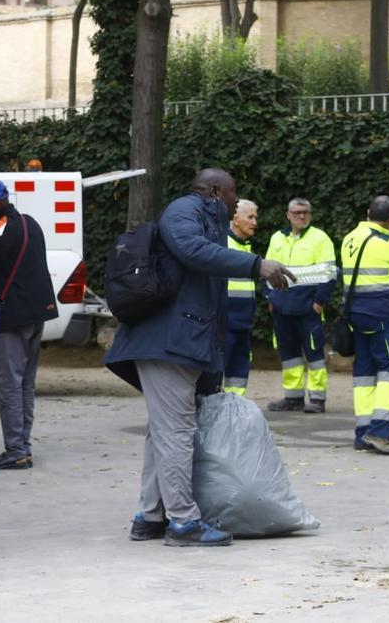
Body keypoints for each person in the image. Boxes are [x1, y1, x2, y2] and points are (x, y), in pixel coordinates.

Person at [105, 169, 293, 547]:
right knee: (176, 433)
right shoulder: (184, 212)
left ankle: (150, 515)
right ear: (213, 190)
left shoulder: (207, 220)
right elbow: (191, 250)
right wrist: (257, 265)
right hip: (167, 344)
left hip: (179, 344)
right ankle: (183, 522)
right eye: (232, 193)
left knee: (164, 431)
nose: (236, 202)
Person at [0, 180, 58, 471]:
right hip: (39, 312)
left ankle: (16, 450)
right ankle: (24, 446)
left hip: (13, 316)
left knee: (9, 383)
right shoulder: (30, 223)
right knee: (26, 383)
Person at [341, 195, 389, 455]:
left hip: (356, 314)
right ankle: (379, 432)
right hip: (383, 314)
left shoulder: (350, 238)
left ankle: (362, 433)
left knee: (364, 373)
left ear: (367, 212)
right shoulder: (387, 242)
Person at [265, 198, 337, 414]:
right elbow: (267, 271)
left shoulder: (320, 238)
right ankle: (293, 398)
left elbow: (330, 274)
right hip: (282, 309)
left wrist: (319, 302)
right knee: (289, 356)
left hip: (309, 309)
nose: (302, 216)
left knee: (314, 355)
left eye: (305, 212)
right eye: (297, 213)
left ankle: (317, 399)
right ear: (288, 215)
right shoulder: (277, 238)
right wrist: (270, 298)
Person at [224, 199, 259, 396]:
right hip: (225, 323)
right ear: (235, 219)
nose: (255, 222)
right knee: (216, 372)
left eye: (256, 217)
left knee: (238, 375)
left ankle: (233, 410)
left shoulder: (245, 246)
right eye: (250, 217)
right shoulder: (223, 244)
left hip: (242, 322)